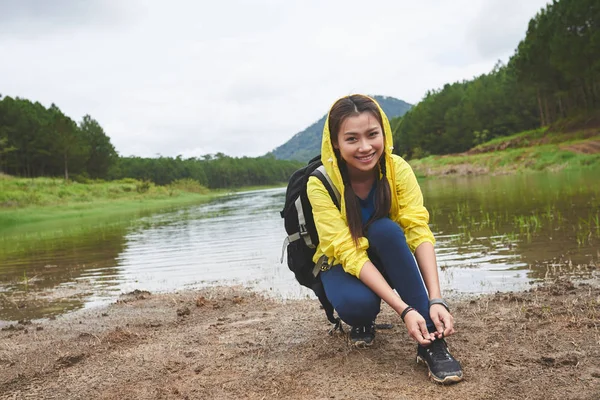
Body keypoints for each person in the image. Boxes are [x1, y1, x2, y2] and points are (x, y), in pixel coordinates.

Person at [306, 94, 463, 384]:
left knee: (387, 230)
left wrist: (435, 299)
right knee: (358, 307)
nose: (365, 147)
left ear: (384, 133)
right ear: (336, 143)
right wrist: (403, 310)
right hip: (343, 262)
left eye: (372, 135)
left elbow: (417, 230)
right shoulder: (319, 183)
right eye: (352, 139)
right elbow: (348, 252)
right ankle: (363, 321)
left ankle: (431, 342)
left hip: (384, 253)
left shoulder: (396, 169)